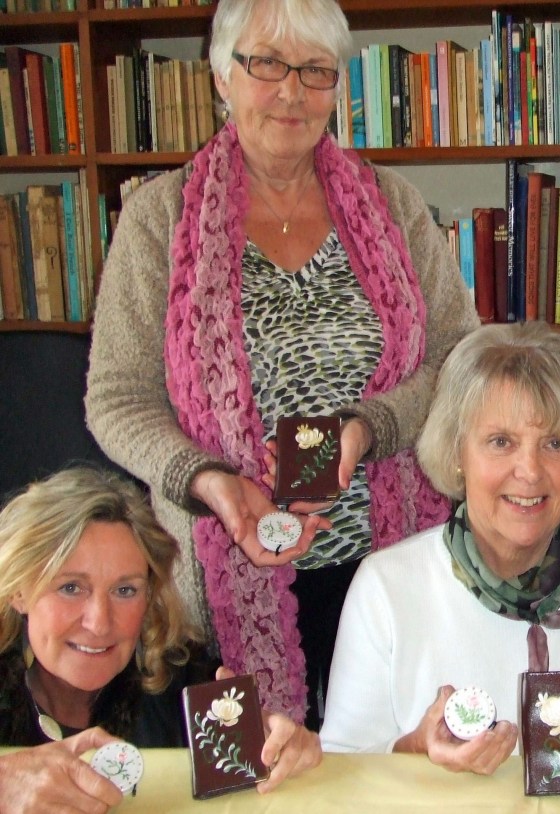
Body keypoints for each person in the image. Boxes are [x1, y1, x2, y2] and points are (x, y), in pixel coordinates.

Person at [85, 0, 480, 727]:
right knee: (258, 773)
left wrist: (368, 428)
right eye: (266, 64)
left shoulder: (394, 205)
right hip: (224, 570)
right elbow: (116, 398)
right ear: (222, 76)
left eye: (315, 70)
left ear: (337, 86)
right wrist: (207, 480)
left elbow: (459, 356)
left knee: (388, 765)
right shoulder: (157, 219)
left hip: (387, 565)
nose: (291, 92)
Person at [320, 322, 560, 770]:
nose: (530, 471)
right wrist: (415, 751)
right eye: (501, 442)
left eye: (555, 443)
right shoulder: (386, 586)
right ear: (457, 453)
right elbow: (341, 767)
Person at [0, 468, 321, 812]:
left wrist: (282, 747)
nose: (99, 623)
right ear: (19, 591)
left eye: (125, 590)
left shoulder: (180, 682)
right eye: (70, 588)